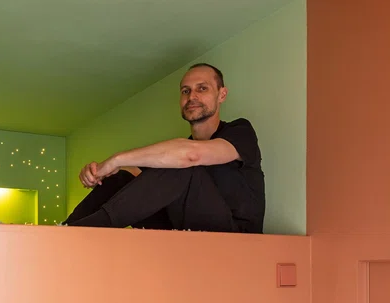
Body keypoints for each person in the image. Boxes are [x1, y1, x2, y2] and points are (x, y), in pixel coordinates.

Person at [64, 64, 265, 232]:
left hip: (236, 237)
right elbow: (137, 175)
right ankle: (65, 229)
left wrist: (116, 160)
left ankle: (85, 230)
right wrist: (100, 173)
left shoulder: (239, 131)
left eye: (202, 88)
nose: (192, 96)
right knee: (122, 178)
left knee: (181, 167)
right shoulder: (179, 154)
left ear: (222, 94)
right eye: (185, 91)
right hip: (185, 231)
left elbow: (190, 155)